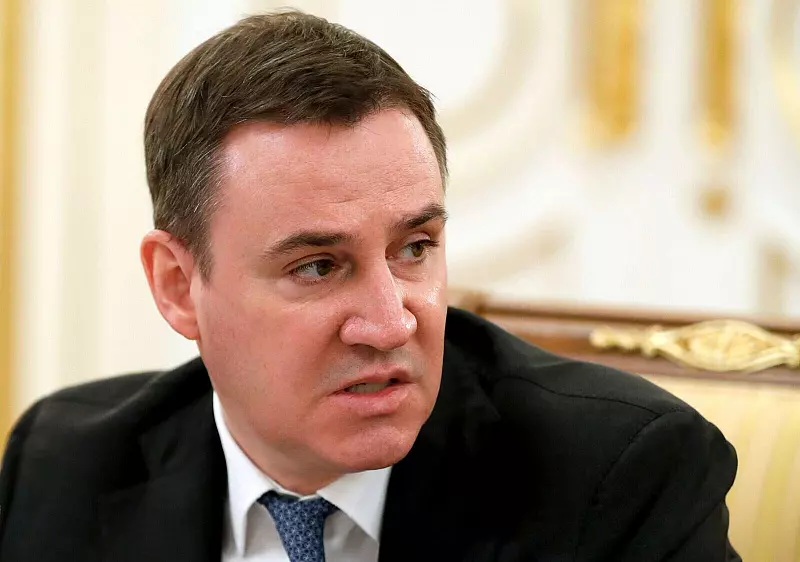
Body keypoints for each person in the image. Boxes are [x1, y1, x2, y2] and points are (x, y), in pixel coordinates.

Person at [0, 10, 740, 562]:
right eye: (317, 266)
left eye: (414, 249)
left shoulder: (618, 476)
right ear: (176, 285)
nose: (391, 324)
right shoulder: (63, 467)